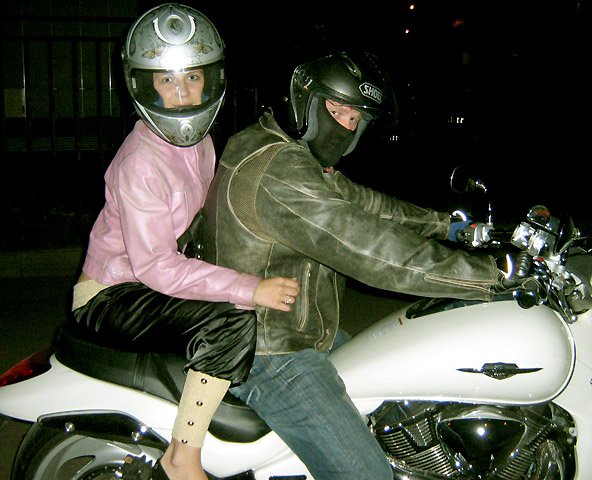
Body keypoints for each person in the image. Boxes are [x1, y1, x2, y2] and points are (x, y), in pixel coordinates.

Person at [200, 51, 509, 479]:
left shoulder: (287, 150)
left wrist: (452, 227)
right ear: (305, 102)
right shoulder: (279, 169)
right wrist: (492, 277)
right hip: (269, 352)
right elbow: (367, 248)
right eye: (336, 110)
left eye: (355, 119)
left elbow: (366, 206)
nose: (345, 125)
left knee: (408, 394)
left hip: (305, 330)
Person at [67, 5, 299, 480]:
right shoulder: (141, 162)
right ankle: (183, 456)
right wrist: (247, 287)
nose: (182, 92)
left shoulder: (200, 142)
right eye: (166, 80)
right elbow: (156, 266)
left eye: (192, 77)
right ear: (143, 85)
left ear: (211, 79)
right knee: (230, 320)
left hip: (146, 284)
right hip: (110, 295)